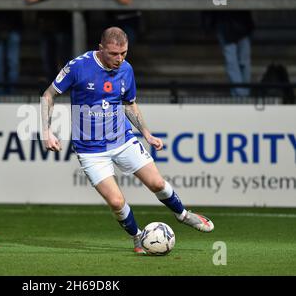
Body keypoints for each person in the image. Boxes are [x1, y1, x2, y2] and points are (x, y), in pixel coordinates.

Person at [41, 27, 214, 254]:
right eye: (114, 54)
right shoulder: (77, 67)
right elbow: (48, 95)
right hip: (90, 150)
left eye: (123, 53)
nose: (119, 59)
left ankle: (183, 214)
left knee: (157, 183)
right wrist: (46, 131)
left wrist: (146, 133)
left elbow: (129, 103)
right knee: (116, 201)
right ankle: (138, 237)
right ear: (101, 48)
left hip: (122, 139)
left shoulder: (126, 69)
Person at [200, 0, 254, 97]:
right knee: (231, 60)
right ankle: (241, 96)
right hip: (223, 20)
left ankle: (244, 94)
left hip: (241, 20)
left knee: (244, 60)